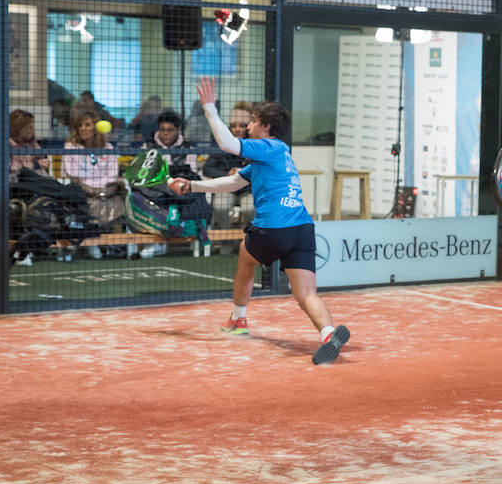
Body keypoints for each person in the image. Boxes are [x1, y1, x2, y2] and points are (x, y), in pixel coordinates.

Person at [168, 77, 350, 365]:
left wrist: (209, 108)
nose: (247, 126)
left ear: (265, 127)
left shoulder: (268, 147)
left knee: (245, 257)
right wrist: (192, 185)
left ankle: (238, 318)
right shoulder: (276, 156)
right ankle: (329, 334)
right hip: (302, 229)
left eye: (252, 121)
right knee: (306, 294)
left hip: (274, 227)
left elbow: (227, 143)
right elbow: (232, 183)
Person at [139, 109, 201, 258]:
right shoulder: (148, 146)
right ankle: (157, 243)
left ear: (177, 130)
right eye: (162, 130)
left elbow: (192, 173)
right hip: (156, 190)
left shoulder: (188, 147)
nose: (166, 133)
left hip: (180, 190)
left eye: (170, 130)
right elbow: (144, 173)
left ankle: (169, 239)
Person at [64, 110, 124, 260]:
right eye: (80, 125)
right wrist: (90, 188)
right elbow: (71, 172)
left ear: (96, 128)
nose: (83, 128)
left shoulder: (108, 148)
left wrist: (101, 189)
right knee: (86, 202)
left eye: (87, 125)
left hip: (105, 190)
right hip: (82, 189)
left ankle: (110, 244)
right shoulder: (70, 147)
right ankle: (91, 241)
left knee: (117, 200)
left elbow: (112, 173)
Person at [203, 102, 255, 232]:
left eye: (242, 126)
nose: (237, 129)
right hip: (226, 188)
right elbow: (207, 168)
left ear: (248, 127)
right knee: (220, 206)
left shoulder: (254, 143)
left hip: (248, 190)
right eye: (233, 126)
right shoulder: (222, 142)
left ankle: (250, 237)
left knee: (250, 208)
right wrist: (227, 174)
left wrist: (245, 173)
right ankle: (224, 239)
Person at [8, 109, 50, 181]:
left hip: (33, 178)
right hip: (15, 180)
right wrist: (35, 165)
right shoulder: (8, 144)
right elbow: (9, 167)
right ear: (19, 128)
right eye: (30, 127)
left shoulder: (31, 143)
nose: (33, 130)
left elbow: (42, 159)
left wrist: (42, 163)